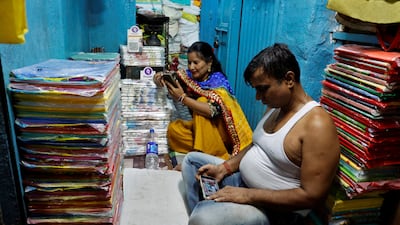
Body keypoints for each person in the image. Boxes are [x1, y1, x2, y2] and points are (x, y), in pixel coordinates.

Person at [181, 43, 341, 225]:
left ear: (289, 79)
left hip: (273, 210)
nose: (258, 97)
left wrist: (248, 196)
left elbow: (311, 196)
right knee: (192, 162)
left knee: (204, 218)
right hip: (245, 184)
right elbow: (256, 145)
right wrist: (224, 168)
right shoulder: (276, 107)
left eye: (263, 88)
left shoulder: (316, 125)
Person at [153, 41, 253, 165]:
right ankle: (204, 151)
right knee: (174, 130)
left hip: (221, 134)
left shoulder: (218, 82)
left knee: (201, 104)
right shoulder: (190, 76)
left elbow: (212, 110)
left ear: (209, 62)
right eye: (189, 62)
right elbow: (171, 76)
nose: (191, 67)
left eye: (196, 62)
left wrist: (183, 98)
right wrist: (159, 78)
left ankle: (204, 157)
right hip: (204, 133)